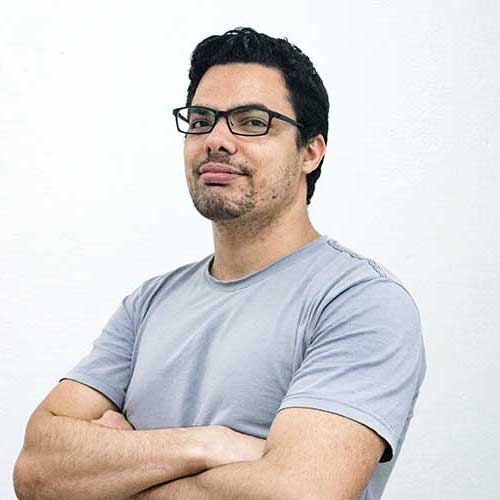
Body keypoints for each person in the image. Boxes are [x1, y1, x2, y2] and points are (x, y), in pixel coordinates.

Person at [14, 27, 426, 500]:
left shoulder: (359, 302)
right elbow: (36, 470)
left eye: (252, 122)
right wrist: (211, 444)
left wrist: (114, 475)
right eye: (201, 120)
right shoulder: (149, 304)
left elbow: (299, 493)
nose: (217, 139)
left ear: (310, 151)